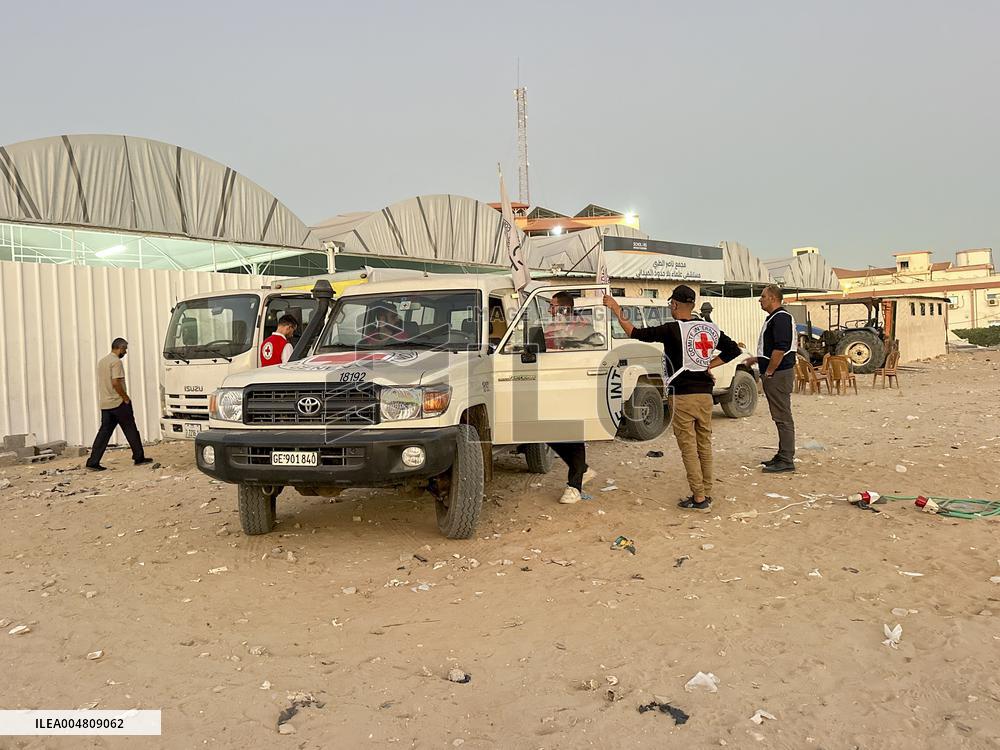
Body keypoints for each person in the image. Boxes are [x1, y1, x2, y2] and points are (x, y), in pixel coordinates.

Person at [604, 285, 742, 511]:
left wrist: (616, 308)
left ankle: (699, 498)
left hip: (683, 396)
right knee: (704, 444)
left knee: (688, 447)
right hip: (705, 395)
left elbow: (634, 332)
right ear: (693, 305)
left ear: (675, 304)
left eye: (671, 304)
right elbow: (734, 350)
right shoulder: (710, 328)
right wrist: (708, 365)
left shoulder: (671, 329)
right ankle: (706, 491)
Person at [543, 292, 597, 504]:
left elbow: (587, 354)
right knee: (544, 430)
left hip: (575, 385)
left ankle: (574, 487)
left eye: (552, 305)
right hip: (554, 385)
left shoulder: (582, 327)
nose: (550, 310)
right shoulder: (552, 326)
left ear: (564, 308)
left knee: (573, 435)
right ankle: (582, 469)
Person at [86, 338, 152, 471]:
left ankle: (93, 461)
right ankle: (139, 457)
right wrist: (125, 397)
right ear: (120, 348)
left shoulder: (102, 361)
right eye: (125, 349)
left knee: (103, 433)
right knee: (131, 429)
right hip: (118, 402)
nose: (125, 352)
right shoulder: (116, 362)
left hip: (106, 403)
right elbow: (116, 382)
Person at [753, 284, 797, 473]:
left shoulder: (781, 318)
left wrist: (769, 371)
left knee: (782, 416)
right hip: (776, 372)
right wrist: (757, 359)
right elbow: (771, 348)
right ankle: (782, 454)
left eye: (763, 296)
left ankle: (786, 458)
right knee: (779, 416)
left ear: (772, 298)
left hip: (779, 374)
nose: (760, 300)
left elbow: (780, 348)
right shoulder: (774, 317)